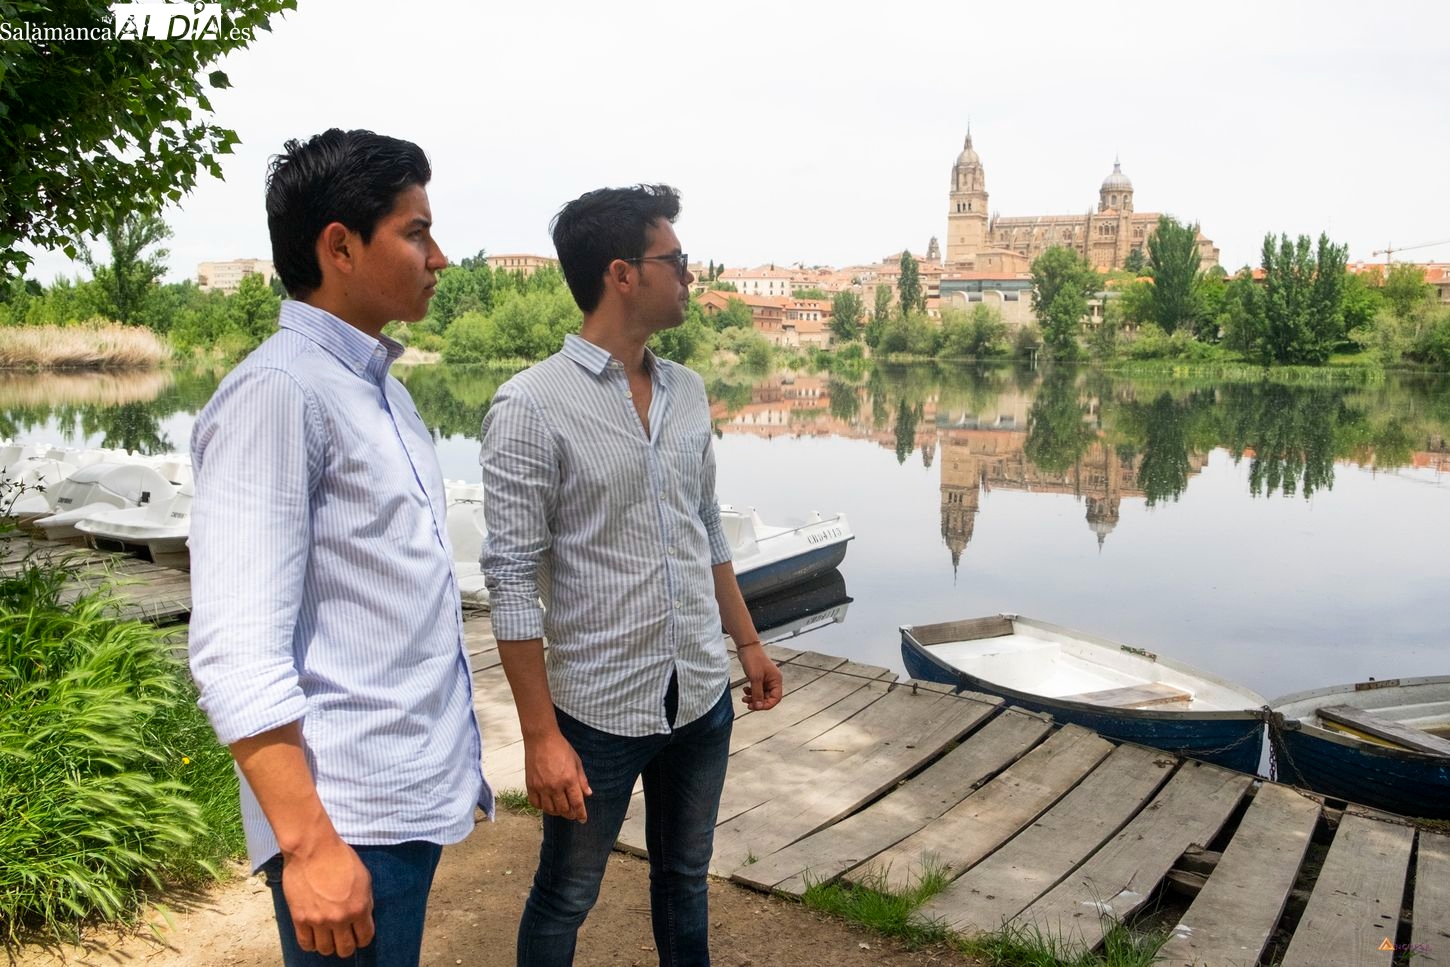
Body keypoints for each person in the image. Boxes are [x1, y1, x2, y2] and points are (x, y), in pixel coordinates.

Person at [188, 128, 492, 966]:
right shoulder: (279, 394)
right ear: (340, 246)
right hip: (347, 821)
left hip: (401, 804)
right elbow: (234, 651)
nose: (439, 256)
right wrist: (310, 846)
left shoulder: (379, 394)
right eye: (416, 231)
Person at [480, 183, 785, 966]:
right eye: (675, 259)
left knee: (685, 879)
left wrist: (747, 643)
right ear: (622, 273)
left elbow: (704, 524)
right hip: (596, 712)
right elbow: (510, 579)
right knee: (566, 894)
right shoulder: (531, 405)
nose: (690, 274)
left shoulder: (687, 391)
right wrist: (540, 736)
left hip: (701, 697)